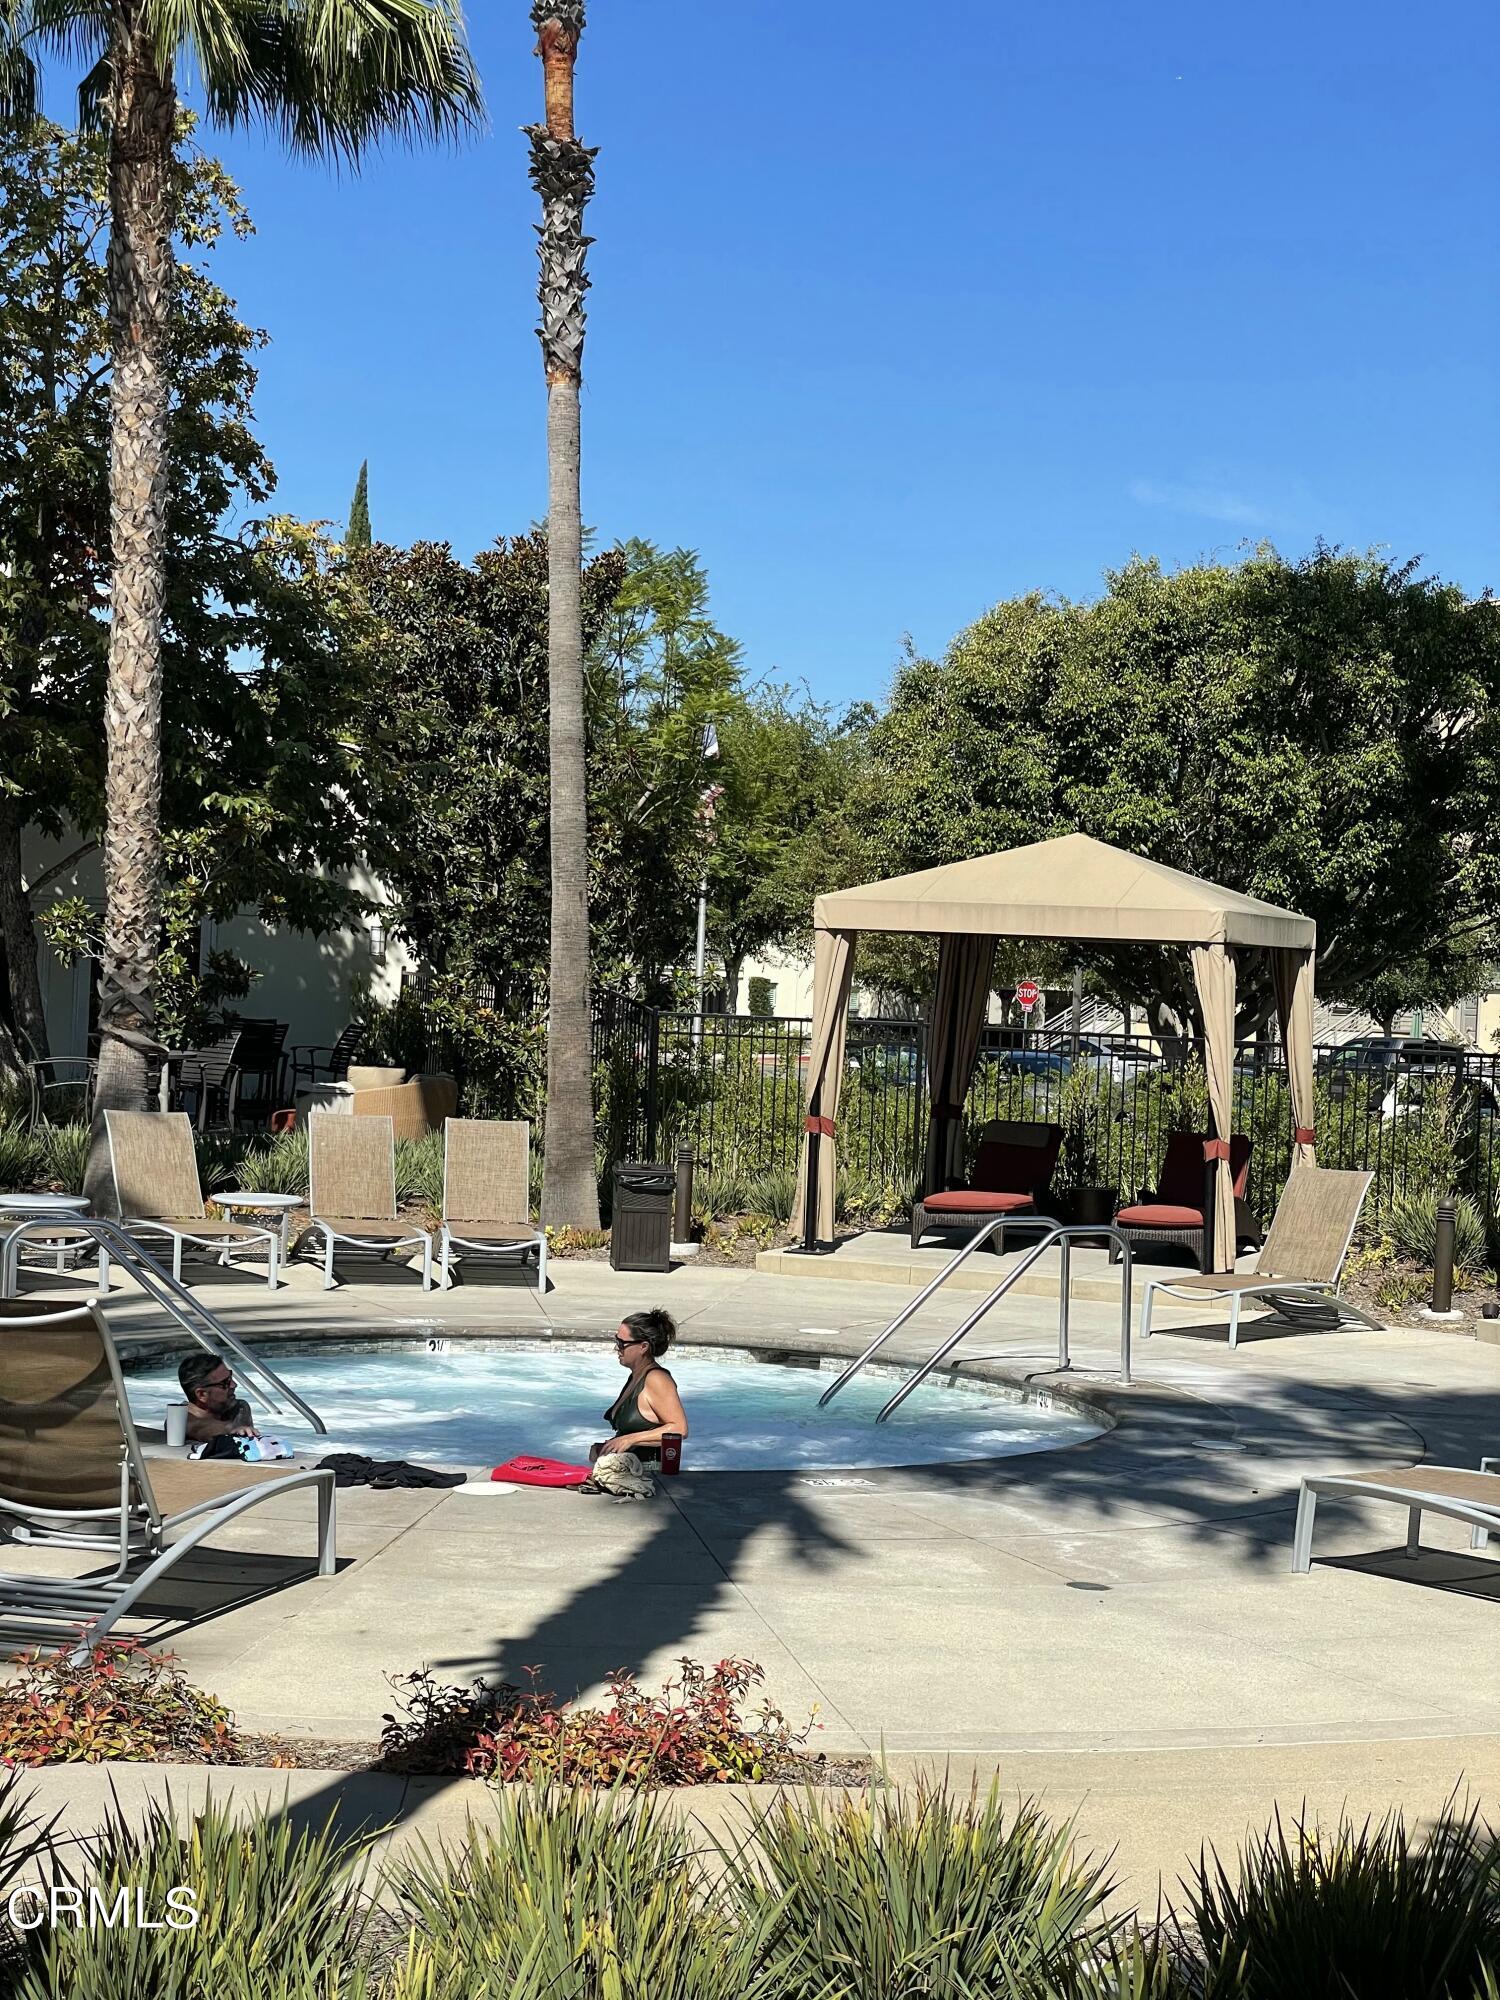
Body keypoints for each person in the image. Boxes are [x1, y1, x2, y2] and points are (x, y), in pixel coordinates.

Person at [591, 1308, 687, 1465]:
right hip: (629, 1469)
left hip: (649, 1475)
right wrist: (607, 1447)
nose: (617, 1348)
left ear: (643, 1346)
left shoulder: (657, 1379)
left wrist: (630, 1439)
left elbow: (679, 1429)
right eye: (616, 1341)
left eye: (622, 1343)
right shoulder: (636, 1376)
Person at [178, 1353, 258, 1443]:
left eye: (230, 1377)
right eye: (225, 1383)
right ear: (202, 1394)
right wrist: (231, 1430)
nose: (234, 1385)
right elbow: (198, 1427)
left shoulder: (238, 1408)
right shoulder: (179, 1419)